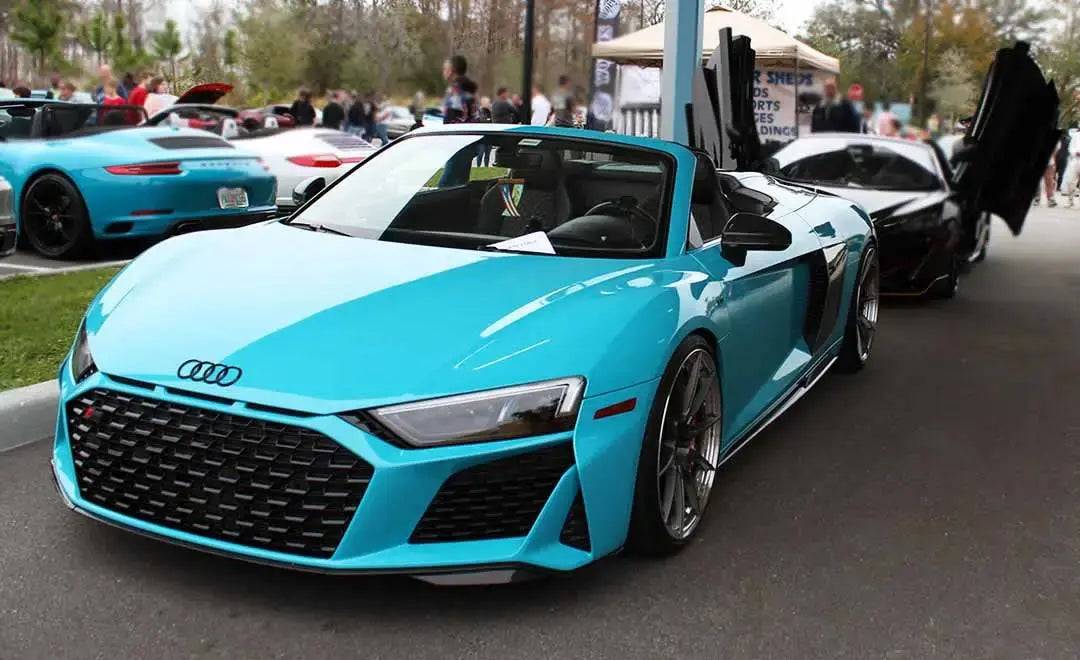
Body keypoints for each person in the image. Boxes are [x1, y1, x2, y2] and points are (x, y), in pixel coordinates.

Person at [441, 55, 477, 123]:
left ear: (452, 70)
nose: (443, 72)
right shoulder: (471, 90)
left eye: (445, 69)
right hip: (471, 131)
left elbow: (450, 120)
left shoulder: (453, 91)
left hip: (457, 131)